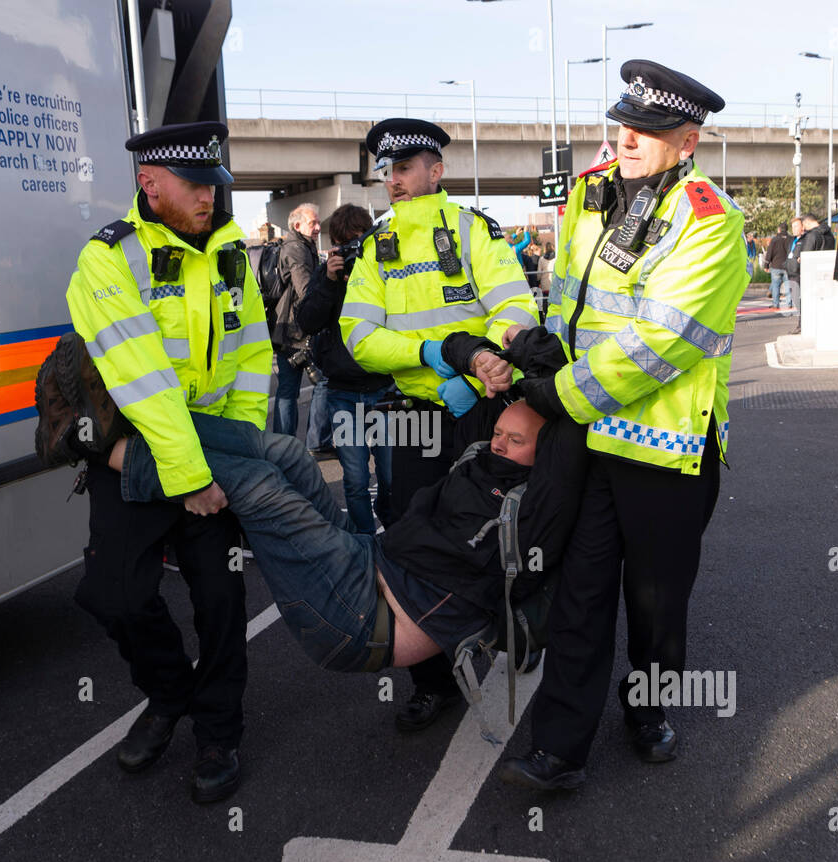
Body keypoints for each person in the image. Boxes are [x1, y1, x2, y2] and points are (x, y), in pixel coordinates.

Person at [496, 59, 748, 790]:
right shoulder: (589, 193)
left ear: (688, 141)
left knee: (657, 600)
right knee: (580, 590)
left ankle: (649, 710)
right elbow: (571, 298)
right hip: (587, 433)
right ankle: (559, 748)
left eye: (652, 129)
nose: (630, 138)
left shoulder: (710, 221)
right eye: (626, 123)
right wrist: (539, 354)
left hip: (663, 443)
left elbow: (663, 343)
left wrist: (551, 396)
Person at [65, 121, 271, 804]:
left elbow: (251, 360)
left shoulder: (232, 251)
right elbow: (145, 379)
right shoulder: (108, 259)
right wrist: (193, 481)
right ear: (148, 184)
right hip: (137, 459)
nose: (210, 195)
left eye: (215, 181)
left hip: (211, 458)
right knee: (113, 596)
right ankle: (168, 692)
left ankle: (218, 729)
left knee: (220, 600)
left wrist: (235, 456)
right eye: (195, 183)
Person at [109, 392, 588, 680]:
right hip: (367, 562)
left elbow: (567, 446)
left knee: (263, 489)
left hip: (364, 620)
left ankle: (104, 449)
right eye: (500, 433)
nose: (498, 443)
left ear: (541, 457)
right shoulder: (481, 459)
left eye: (515, 441)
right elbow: (488, 402)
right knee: (291, 455)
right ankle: (140, 415)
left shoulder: (534, 506)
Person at [339, 117, 539, 732]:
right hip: (415, 413)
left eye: (403, 168)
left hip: (477, 406)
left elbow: (515, 308)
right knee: (409, 535)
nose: (392, 180)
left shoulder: (474, 231)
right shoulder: (375, 247)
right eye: (386, 170)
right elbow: (359, 337)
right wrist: (432, 355)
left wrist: (481, 367)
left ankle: (516, 629)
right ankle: (432, 678)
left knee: (498, 529)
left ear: (435, 170)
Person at [295, 202, 395, 533]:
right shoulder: (328, 275)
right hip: (342, 393)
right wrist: (330, 280)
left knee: (391, 477)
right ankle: (365, 545)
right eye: (344, 245)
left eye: (358, 242)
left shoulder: (385, 270)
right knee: (353, 481)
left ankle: (394, 541)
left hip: (385, 390)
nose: (351, 251)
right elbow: (307, 320)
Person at [271, 203, 320, 438]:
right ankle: (287, 443)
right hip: (293, 332)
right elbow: (305, 289)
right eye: (313, 223)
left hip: (296, 329)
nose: (319, 227)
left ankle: (295, 442)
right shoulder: (295, 248)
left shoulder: (304, 246)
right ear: (298, 225)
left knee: (294, 389)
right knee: (291, 390)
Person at [764, 223, 791, 309]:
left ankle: (776, 304)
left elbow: (769, 253)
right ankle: (789, 304)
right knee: (788, 285)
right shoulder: (791, 239)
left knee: (775, 286)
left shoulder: (774, 239)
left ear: (779, 229)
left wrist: (766, 265)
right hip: (787, 266)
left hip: (776, 266)